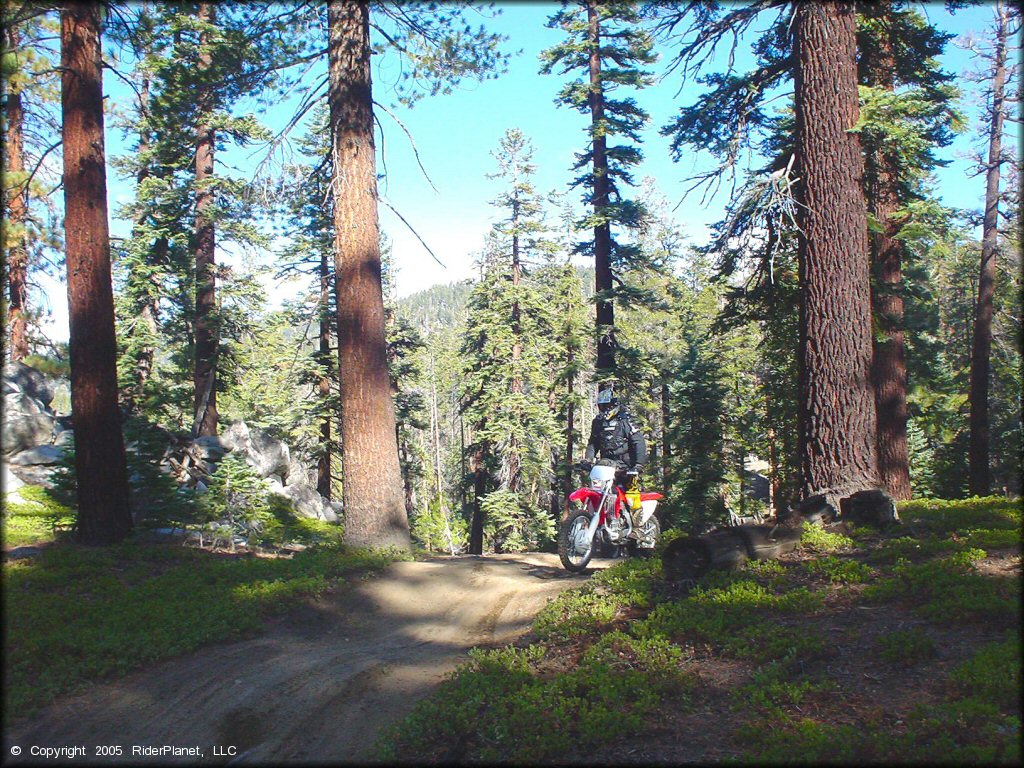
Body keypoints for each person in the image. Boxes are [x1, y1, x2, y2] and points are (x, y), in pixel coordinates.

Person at [583, 387, 648, 491]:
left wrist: (638, 465)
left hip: (626, 468)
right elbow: (593, 443)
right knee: (596, 491)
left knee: (631, 497)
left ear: (613, 405)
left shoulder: (627, 421)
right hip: (605, 466)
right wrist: (588, 460)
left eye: (606, 406)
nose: (604, 409)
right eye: (601, 406)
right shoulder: (598, 422)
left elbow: (638, 443)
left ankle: (635, 507)